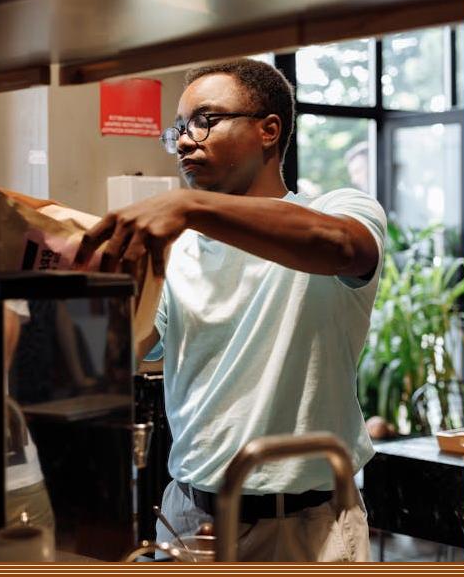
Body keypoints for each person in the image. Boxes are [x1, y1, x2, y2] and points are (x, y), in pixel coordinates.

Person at [74, 59, 384, 562]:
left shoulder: (339, 209)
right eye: (178, 128)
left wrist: (189, 208)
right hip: (191, 519)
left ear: (269, 130)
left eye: (205, 120)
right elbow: (117, 357)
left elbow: (341, 246)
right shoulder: (177, 251)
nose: (184, 141)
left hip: (309, 530)